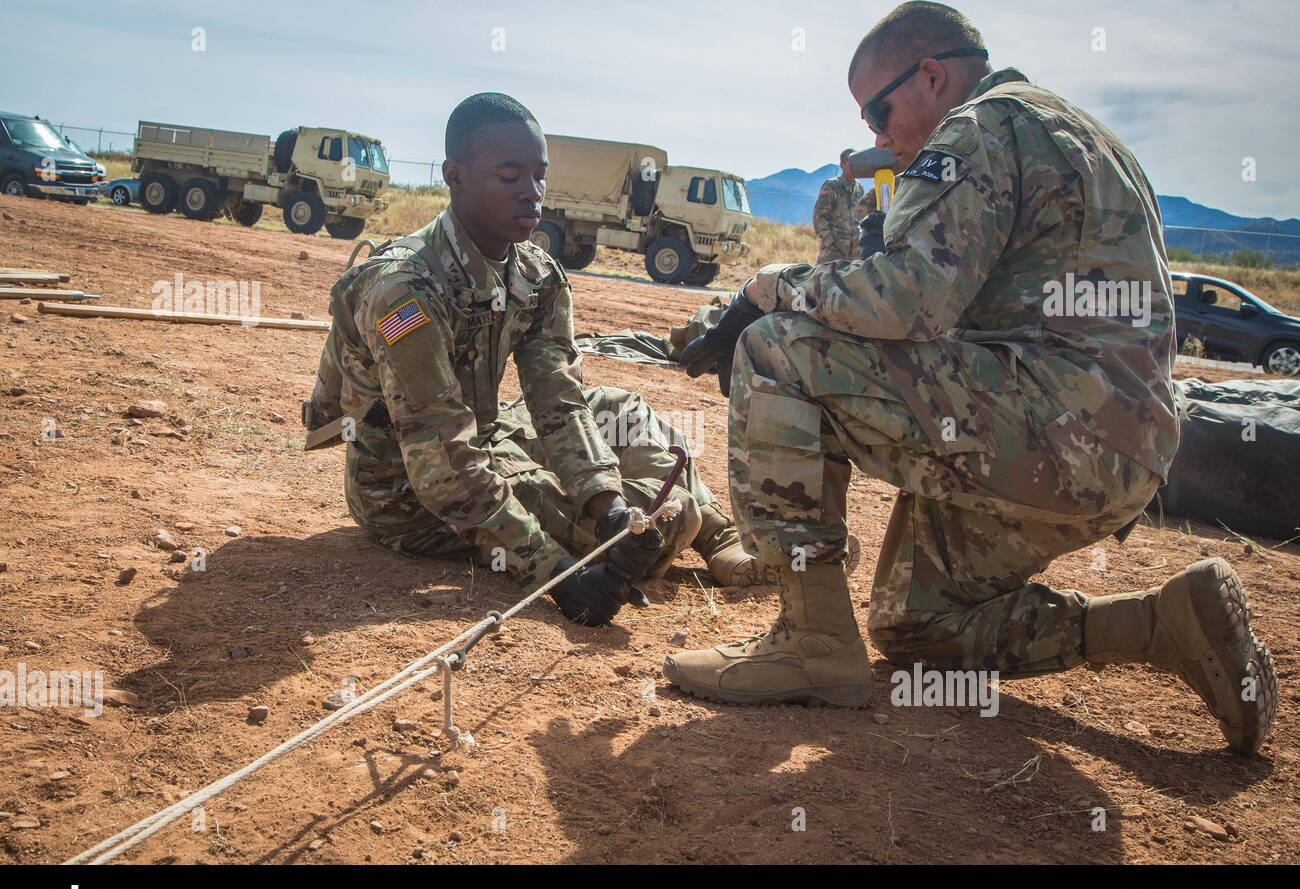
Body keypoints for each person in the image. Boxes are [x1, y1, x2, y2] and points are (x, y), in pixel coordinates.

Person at [667, 2, 1276, 754]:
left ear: (931, 75)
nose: (879, 136)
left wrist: (764, 289)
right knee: (915, 626)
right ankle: (1159, 623)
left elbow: (907, 301)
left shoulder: (978, 127)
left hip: (1050, 427)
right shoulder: (1087, 138)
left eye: (879, 111)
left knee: (777, 348)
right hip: (1120, 454)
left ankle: (812, 640)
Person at [304, 92, 768, 627]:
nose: (532, 192)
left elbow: (559, 403)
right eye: (510, 176)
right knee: (665, 522)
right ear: (455, 177)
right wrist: (558, 574)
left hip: (482, 434)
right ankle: (690, 522)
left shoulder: (536, 274)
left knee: (619, 410)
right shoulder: (405, 292)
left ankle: (716, 535)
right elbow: (441, 460)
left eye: (539, 176)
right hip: (410, 491)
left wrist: (607, 503)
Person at [812, 147, 877, 264]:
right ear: (842, 165)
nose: (854, 166)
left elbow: (862, 215)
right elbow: (819, 216)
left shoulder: (859, 188)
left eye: (857, 162)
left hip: (855, 251)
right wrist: (829, 241)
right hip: (833, 251)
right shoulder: (832, 186)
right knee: (825, 276)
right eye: (850, 162)